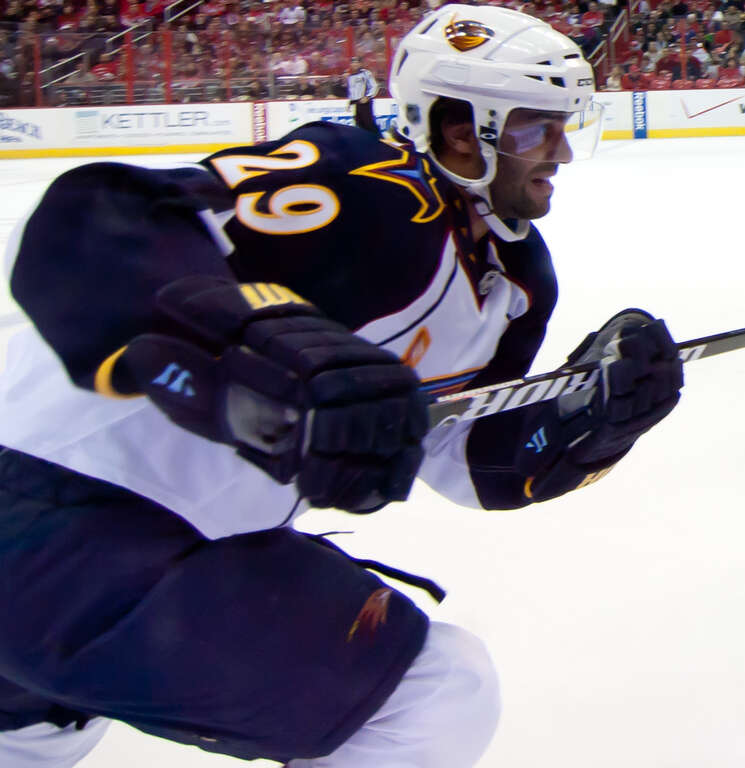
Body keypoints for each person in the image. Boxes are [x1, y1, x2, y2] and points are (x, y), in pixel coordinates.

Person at [0, 5, 684, 768]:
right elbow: (95, 221)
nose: (558, 151)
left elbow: (464, 456)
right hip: (58, 513)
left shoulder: (515, 283)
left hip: (120, 550)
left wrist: (591, 419)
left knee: (31, 737)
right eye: (536, 128)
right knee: (431, 699)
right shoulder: (363, 184)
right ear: (462, 131)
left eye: (567, 125)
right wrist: (248, 339)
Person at [346, 54, 379, 134]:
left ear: (360, 64)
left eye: (357, 62)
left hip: (365, 102)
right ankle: (366, 139)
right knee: (359, 122)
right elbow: (352, 91)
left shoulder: (366, 73)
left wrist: (368, 96)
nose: (355, 64)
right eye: (353, 62)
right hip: (357, 103)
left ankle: (378, 138)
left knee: (368, 122)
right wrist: (350, 102)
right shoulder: (350, 77)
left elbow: (374, 86)